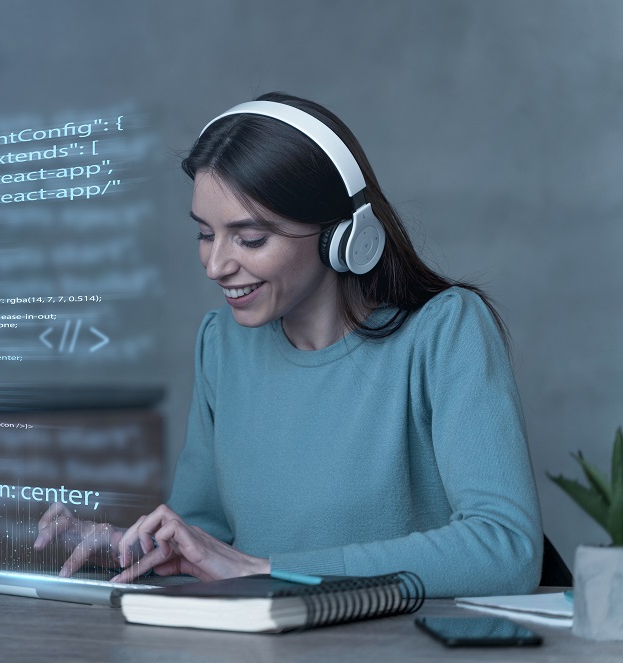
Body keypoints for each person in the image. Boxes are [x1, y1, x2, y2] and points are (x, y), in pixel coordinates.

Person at [33, 93, 543, 598]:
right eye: (205, 235)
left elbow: (504, 550)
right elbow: (205, 543)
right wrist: (132, 549)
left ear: (344, 236)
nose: (216, 266)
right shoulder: (222, 344)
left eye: (249, 239)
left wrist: (268, 568)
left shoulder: (444, 331)